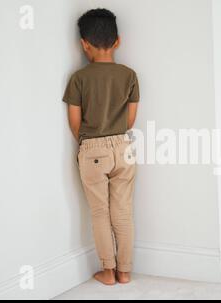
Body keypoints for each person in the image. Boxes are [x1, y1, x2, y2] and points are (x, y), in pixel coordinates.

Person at [62, 8, 139, 285]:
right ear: (117, 41)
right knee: (123, 211)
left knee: (99, 212)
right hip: (124, 146)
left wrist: (90, 144)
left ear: (84, 44)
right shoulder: (129, 75)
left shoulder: (79, 79)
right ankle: (125, 271)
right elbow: (130, 120)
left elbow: (74, 123)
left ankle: (107, 271)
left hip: (92, 148)